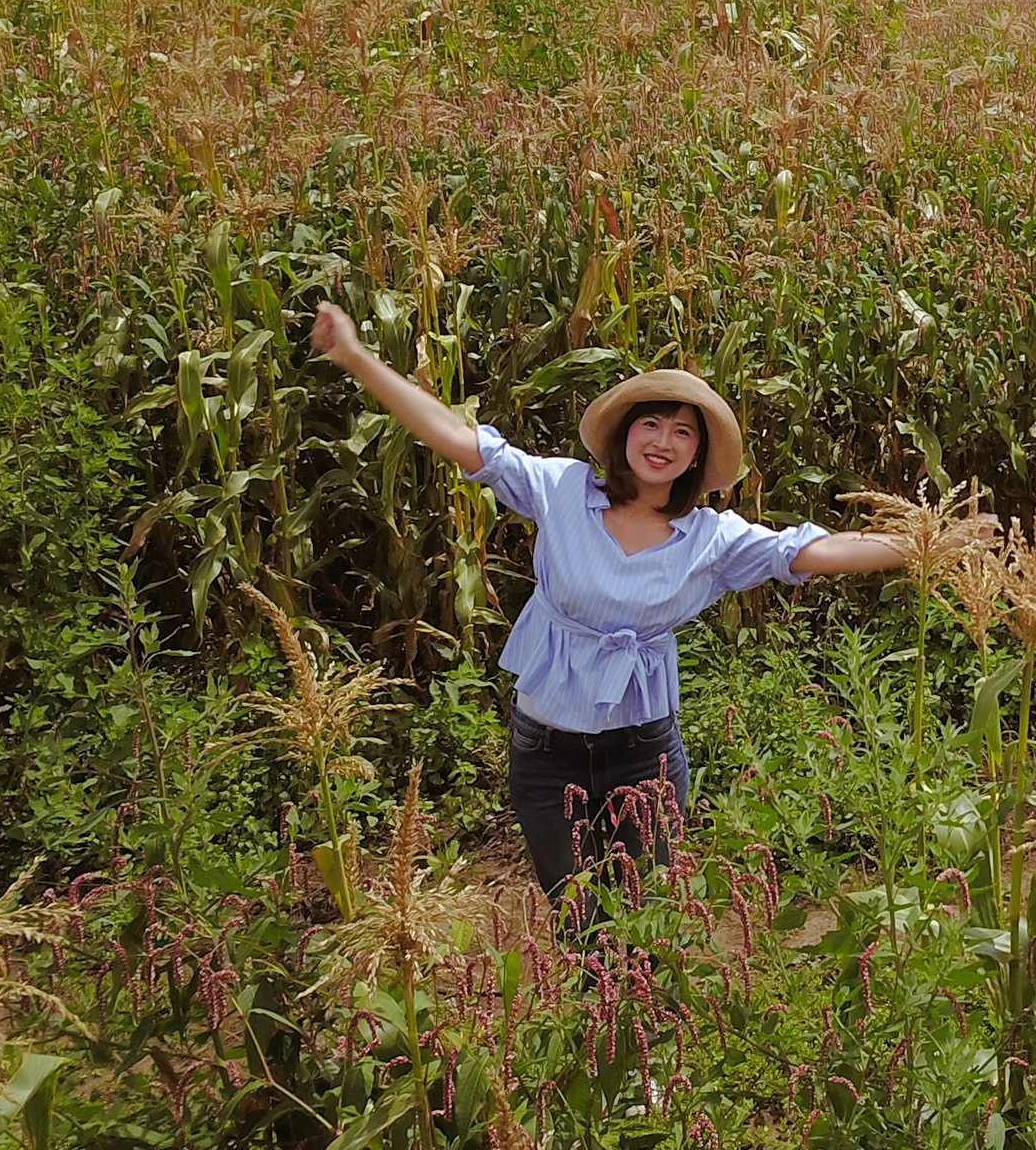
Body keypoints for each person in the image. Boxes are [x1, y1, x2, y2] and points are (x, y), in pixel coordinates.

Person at [310, 302, 928, 904]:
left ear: (696, 455)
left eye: (683, 432)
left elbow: (815, 551)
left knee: (646, 924)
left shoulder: (712, 538)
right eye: (652, 424)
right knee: (578, 926)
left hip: (644, 754)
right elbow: (455, 437)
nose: (664, 441)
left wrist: (926, 541)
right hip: (544, 755)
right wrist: (358, 357)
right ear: (626, 433)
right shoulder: (560, 489)